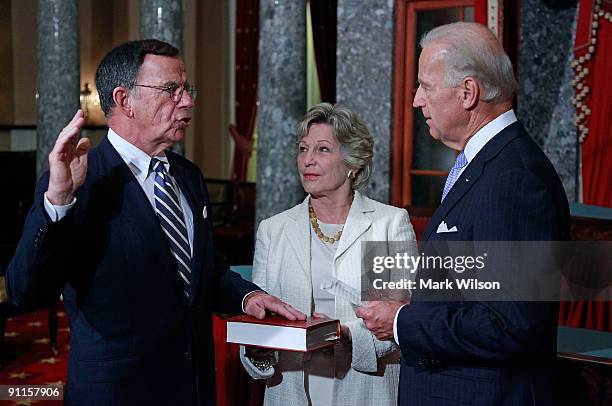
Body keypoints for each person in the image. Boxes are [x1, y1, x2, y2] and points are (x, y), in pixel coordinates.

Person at [5, 39, 304, 406]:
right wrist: (59, 201)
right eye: (170, 90)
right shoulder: (80, 179)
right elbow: (25, 291)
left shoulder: (188, 176)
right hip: (120, 392)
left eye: (186, 88)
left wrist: (248, 296)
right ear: (124, 99)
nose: (188, 101)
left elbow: (203, 274)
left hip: (193, 388)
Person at [356, 22, 570, 405]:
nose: (416, 100)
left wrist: (402, 321)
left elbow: (512, 325)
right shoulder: (484, 163)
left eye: (426, 86)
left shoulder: (514, 178)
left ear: (468, 92)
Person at [240, 102, 416, 405]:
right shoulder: (274, 230)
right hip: (292, 392)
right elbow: (263, 324)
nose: (307, 160)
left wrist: (346, 335)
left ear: (353, 163)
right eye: (302, 149)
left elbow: (399, 320)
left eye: (322, 150)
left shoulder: (388, 224)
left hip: (364, 391)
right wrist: (257, 350)